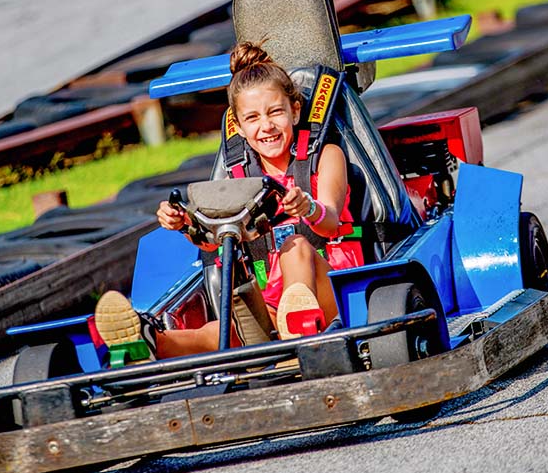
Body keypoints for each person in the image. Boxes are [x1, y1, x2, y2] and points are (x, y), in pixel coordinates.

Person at [95, 41, 362, 360]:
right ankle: (148, 342)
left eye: (275, 112)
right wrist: (185, 225)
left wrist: (309, 208)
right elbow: (218, 244)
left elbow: (331, 220)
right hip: (272, 307)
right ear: (238, 125)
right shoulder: (237, 179)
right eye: (253, 118)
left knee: (296, 248)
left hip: (336, 294)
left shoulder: (325, 157)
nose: (266, 126)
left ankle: (299, 327)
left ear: (295, 109)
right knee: (218, 331)